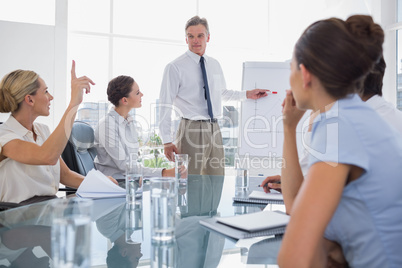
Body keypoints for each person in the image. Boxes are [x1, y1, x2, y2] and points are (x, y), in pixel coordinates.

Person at [274, 15, 402, 267]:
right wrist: (289, 126)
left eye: (290, 68)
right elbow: (301, 206)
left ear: (305, 74)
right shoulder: (351, 113)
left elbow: (293, 259)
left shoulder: (340, 124)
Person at [261, 55, 402, 194]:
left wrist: (289, 127)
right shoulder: (391, 116)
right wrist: (291, 180)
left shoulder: (349, 129)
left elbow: (300, 201)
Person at [159, 15, 269, 176]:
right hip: (191, 129)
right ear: (186, 39)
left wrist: (247, 94)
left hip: (215, 128)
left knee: (216, 178)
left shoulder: (214, 64)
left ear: (208, 37)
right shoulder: (175, 67)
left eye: (200, 35)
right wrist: (166, 141)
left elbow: (221, 93)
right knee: (191, 181)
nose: (195, 40)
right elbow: (165, 104)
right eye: (191, 36)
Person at [0, 61, 116, 204]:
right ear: (29, 99)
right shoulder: (4, 136)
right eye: (46, 91)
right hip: (20, 216)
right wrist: (74, 103)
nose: (51, 97)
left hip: (48, 208)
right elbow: (46, 156)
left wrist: (101, 183)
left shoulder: (42, 130)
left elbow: (65, 174)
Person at [94, 75, 175, 180]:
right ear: (125, 100)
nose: (142, 95)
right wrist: (164, 172)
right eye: (137, 93)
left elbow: (133, 162)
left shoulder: (129, 122)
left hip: (131, 180)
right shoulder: (106, 126)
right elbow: (124, 166)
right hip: (115, 183)